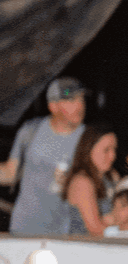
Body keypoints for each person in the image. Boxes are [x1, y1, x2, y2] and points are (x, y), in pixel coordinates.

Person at [3, 77, 88, 236]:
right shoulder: (30, 131)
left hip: (68, 233)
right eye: (71, 100)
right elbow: (10, 173)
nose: (80, 105)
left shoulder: (89, 139)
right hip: (25, 229)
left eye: (81, 99)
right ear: (53, 106)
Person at [61, 128, 118, 237]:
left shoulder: (111, 176)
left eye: (114, 149)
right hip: (83, 249)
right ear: (88, 149)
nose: (112, 156)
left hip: (107, 247)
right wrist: (127, 232)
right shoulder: (82, 182)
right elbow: (96, 229)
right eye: (106, 150)